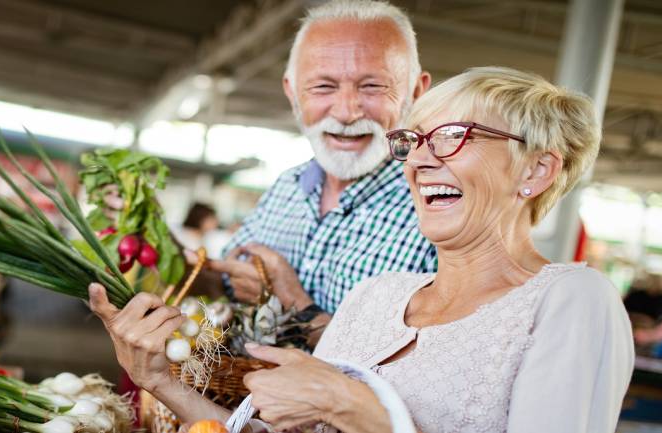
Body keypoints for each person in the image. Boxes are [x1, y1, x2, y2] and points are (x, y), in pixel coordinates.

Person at [88, 66, 635, 432]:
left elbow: (342, 411)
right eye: (415, 142)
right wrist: (158, 377)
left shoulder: (570, 300)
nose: (419, 161)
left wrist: (355, 408)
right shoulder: (376, 296)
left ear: (537, 169)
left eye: (453, 136)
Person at [103, 0, 436, 340]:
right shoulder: (287, 186)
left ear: (416, 91)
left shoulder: (438, 206)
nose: (347, 111)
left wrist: (292, 302)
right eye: (323, 86)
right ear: (292, 93)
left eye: (372, 86)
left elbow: (422, 365)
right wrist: (153, 232)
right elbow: (222, 289)